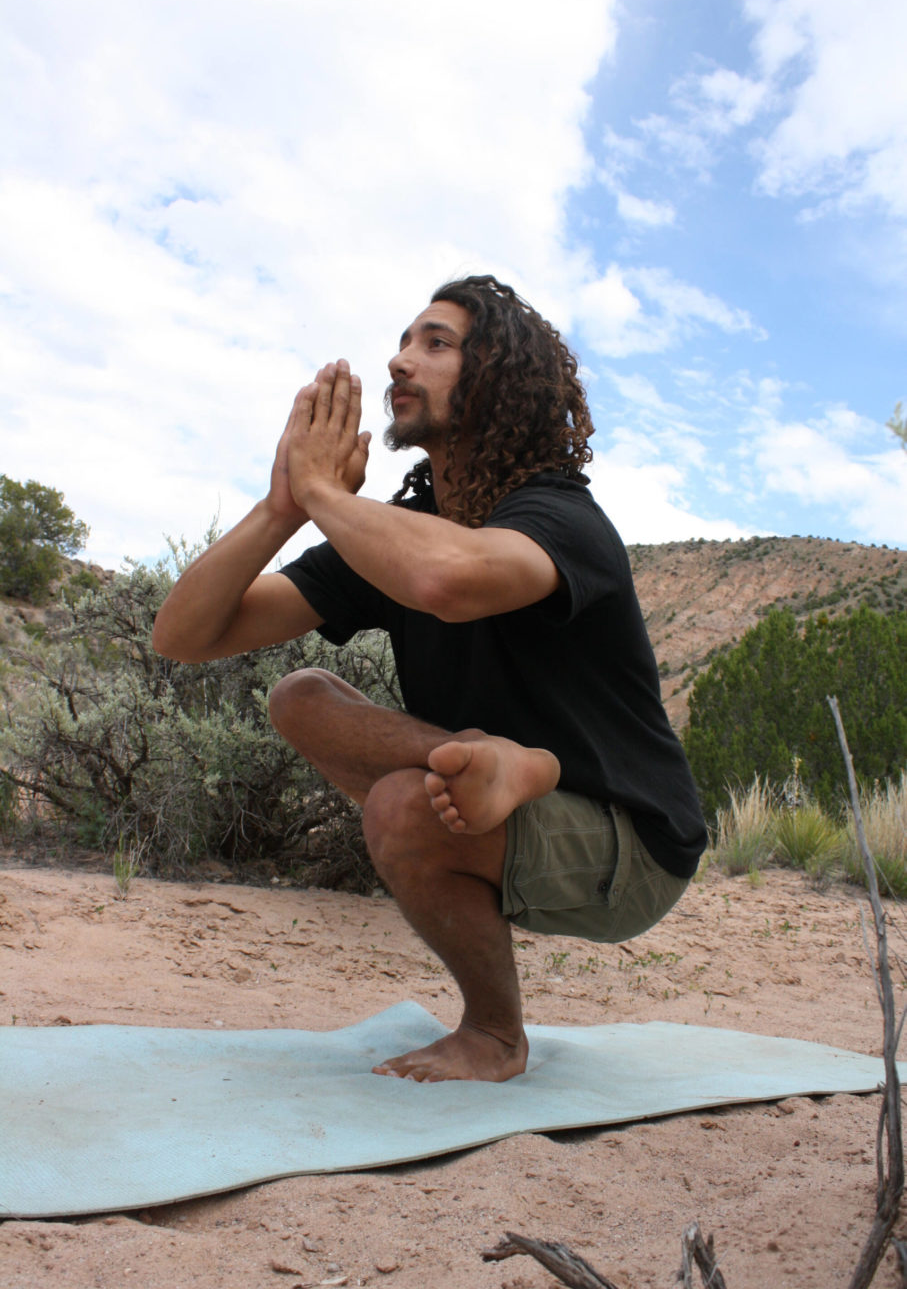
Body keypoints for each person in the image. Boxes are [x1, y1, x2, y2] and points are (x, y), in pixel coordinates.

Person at [152, 274, 707, 1084]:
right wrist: (283, 507)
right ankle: (487, 764)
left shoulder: (562, 519)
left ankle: (493, 1035)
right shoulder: (396, 533)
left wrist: (319, 489)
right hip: (509, 810)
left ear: (498, 381)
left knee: (404, 806)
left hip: (634, 844)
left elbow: (447, 581)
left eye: (435, 344)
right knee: (300, 696)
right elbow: (184, 635)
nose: (399, 360)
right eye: (405, 341)